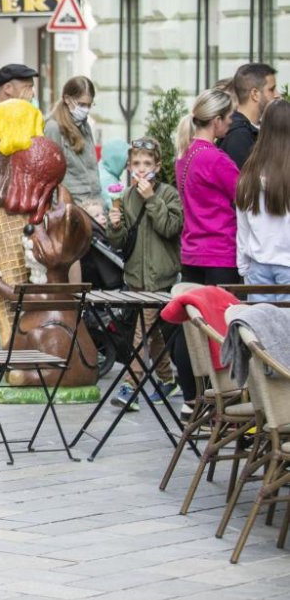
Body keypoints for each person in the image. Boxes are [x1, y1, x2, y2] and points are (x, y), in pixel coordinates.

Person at [173, 88, 241, 416]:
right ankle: (222, 396)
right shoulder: (214, 158)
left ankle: (191, 394)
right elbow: (244, 196)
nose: (230, 125)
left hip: (193, 251)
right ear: (216, 122)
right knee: (220, 329)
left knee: (193, 327)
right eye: (228, 119)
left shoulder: (184, 157)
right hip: (219, 251)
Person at [106, 137, 183, 410]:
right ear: (128, 166)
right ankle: (166, 379)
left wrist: (151, 199)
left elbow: (170, 228)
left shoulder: (169, 195)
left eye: (147, 163)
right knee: (151, 330)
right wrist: (114, 226)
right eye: (136, 163)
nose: (141, 169)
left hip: (160, 277)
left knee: (141, 330)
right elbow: (118, 241)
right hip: (136, 277)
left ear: (158, 166)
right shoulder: (125, 197)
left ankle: (130, 386)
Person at [236, 98, 290, 301]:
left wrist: (243, 266)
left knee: (258, 330)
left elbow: (243, 226)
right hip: (287, 265)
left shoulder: (249, 174)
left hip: (257, 266)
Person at [43, 77, 101, 205]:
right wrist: (58, 210)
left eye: (89, 105)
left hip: (92, 204)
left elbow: (92, 169)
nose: (85, 110)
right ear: (67, 99)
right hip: (71, 207)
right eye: (81, 104)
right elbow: (49, 177)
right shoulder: (53, 128)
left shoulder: (85, 126)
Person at [220, 62, 280, 169]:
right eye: (271, 89)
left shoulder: (252, 129)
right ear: (255, 94)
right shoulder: (239, 136)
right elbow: (244, 183)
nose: (277, 95)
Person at [98, 138, 130, 210]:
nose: (127, 164)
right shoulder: (108, 180)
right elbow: (116, 209)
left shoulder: (103, 166)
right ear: (116, 160)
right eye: (126, 160)